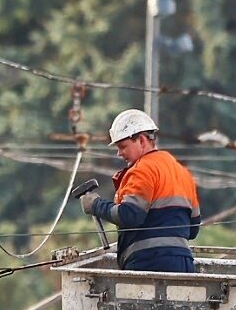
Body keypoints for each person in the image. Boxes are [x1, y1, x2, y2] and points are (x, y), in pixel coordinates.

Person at [79, 108, 201, 273]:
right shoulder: (183, 173)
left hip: (148, 264)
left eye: (123, 146)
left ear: (142, 141)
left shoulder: (143, 169)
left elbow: (129, 215)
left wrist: (96, 205)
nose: (119, 153)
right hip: (184, 264)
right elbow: (193, 229)